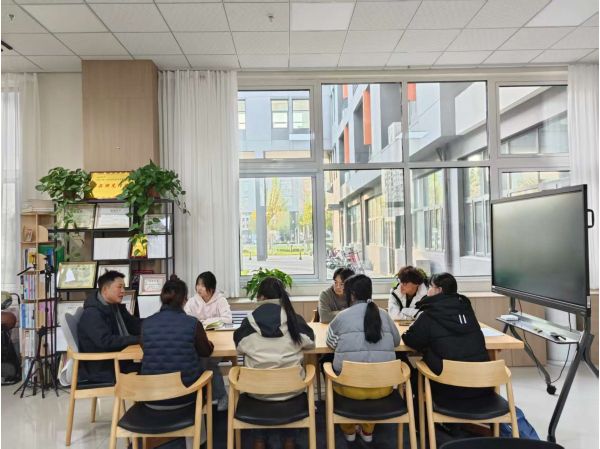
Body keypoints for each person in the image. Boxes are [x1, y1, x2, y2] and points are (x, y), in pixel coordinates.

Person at [234, 277, 315, 449]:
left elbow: (239, 347)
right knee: (291, 391)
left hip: (257, 393)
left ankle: (259, 440)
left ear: (261, 297)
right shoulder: (293, 319)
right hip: (291, 391)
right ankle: (289, 441)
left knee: (257, 392)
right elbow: (310, 342)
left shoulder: (249, 321)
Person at [141, 275, 215, 449]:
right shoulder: (192, 324)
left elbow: (145, 348)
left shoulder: (146, 323)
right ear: (184, 300)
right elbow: (205, 352)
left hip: (150, 396)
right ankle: (198, 442)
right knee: (205, 372)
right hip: (186, 397)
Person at [326, 274, 401, 443]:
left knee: (329, 368)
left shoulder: (342, 316)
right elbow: (396, 341)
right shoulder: (384, 314)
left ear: (351, 294)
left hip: (349, 389)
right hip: (383, 388)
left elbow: (330, 343)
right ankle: (368, 430)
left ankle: (349, 429)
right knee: (372, 376)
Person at [402, 272, 491, 401]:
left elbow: (412, 340)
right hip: (482, 383)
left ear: (439, 290)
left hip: (447, 386)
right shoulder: (466, 309)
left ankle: (420, 410)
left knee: (409, 366)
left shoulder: (429, 313)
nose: (428, 290)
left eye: (430, 287)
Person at [78, 270, 141, 383]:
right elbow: (106, 341)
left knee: (153, 365)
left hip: (117, 360)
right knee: (153, 369)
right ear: (105, 290)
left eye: (123, 287)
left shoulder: (114, 306)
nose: (123, 291)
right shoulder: (92, 314)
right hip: (103, 369)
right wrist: (137, 339)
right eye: (119, 287)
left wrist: (156, 323)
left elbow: (134, 324)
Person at [185, 271, 232, 411]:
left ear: (211, 288)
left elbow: (228, 319)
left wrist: (206, 321)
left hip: (218, 342)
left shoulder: (220, 300)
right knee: (205, 360)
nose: (199, 288)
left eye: (202, 285)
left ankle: (214, 395)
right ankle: (217, 395)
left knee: (208, 361)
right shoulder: (193, 301)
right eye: (197, 284)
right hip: (199, 341)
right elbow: (186, 319)